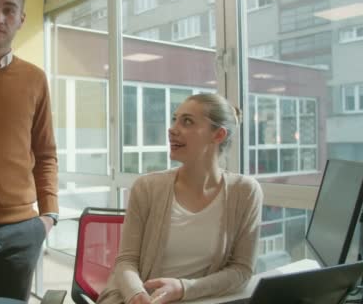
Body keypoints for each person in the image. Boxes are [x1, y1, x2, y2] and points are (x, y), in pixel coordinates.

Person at [97, 93, 263, 304]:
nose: (172, 129)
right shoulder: (147, 187)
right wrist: (137, 296)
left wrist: (183, 289)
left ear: (218, 135)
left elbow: (241, 270)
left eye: (187, 121)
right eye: (175, 119)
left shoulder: (245, 192)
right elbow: (125, 261)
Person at [0, 0, 58, 301]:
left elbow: (46, 153)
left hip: (22, 231)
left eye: (9, 10)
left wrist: (49, 216)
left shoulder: (35, 78)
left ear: (21, 19)